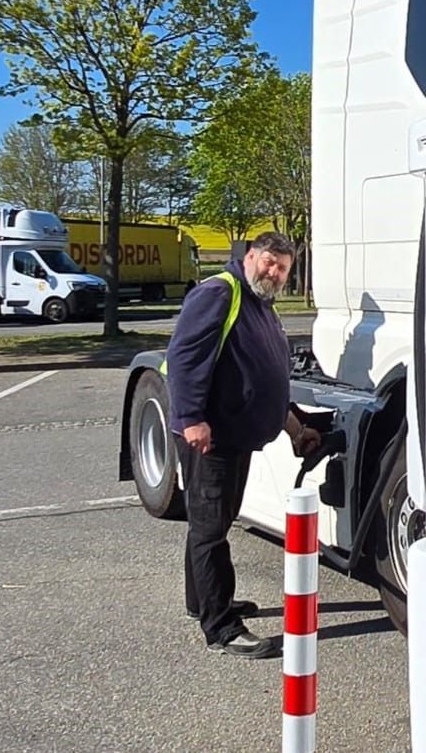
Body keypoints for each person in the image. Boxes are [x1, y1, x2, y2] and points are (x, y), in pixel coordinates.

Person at [167, 230, 319, 659]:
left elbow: (264, 378)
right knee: (211, 529)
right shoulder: (220, 292)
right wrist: (193, 418)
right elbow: (183, 358)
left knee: (212, 522)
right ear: (249, 256)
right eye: (269, 261)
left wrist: (293, 428)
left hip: (236, 436)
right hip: (210, 438)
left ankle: (203, 602)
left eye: (283, 267)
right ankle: (222, 628)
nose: (274, 272)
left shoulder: (261, 305)